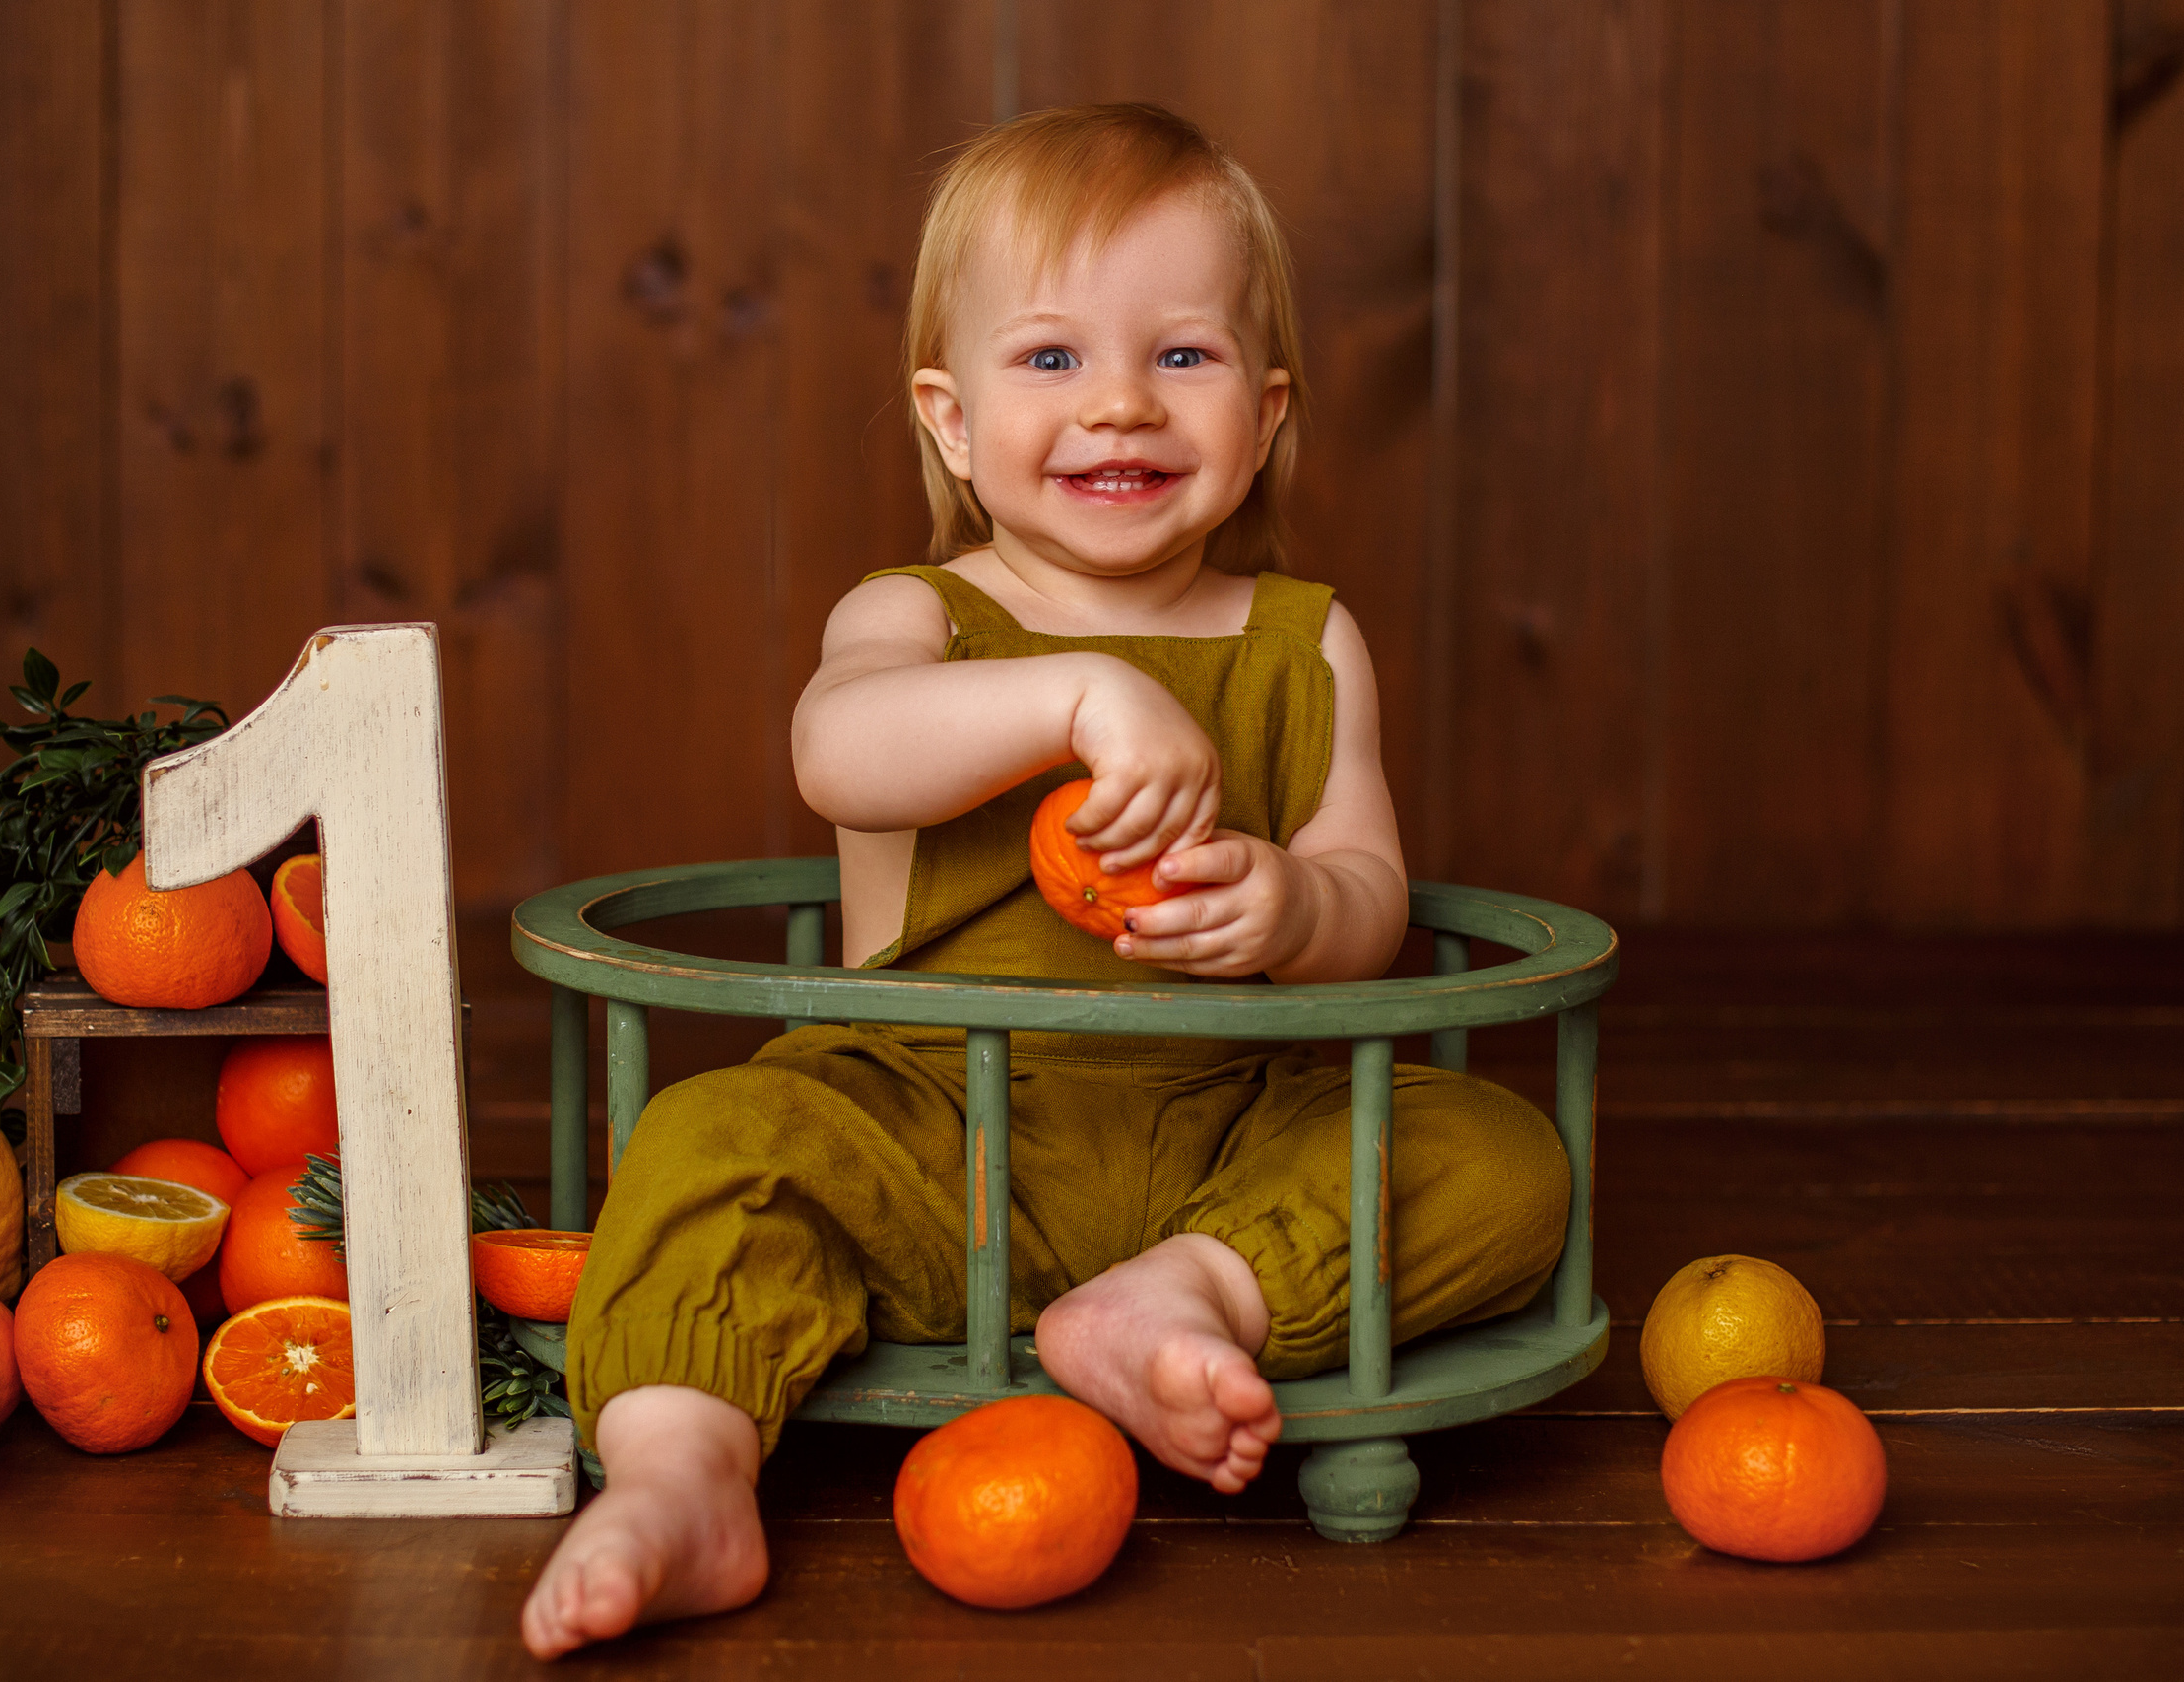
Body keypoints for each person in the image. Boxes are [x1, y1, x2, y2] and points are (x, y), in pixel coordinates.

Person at [522, 102, 1567, 1660]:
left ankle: (1177, 1300)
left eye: (1187, 358)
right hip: (930, 1127)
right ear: (949, 420)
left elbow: (1372, 902)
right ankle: (685, 1479)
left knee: (1501, 1156)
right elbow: (839, 750)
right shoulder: (918, 616)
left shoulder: (1306, 641)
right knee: (716, 1135)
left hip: (1231, 1122)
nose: (1125, 407)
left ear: (1268, 414)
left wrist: (1290, 904)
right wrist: (1066, 692)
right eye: (1055, 359)